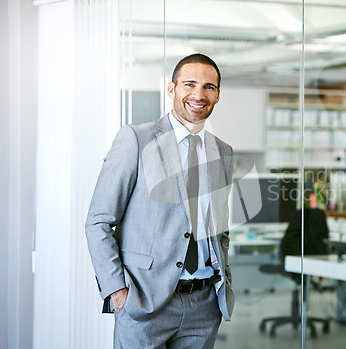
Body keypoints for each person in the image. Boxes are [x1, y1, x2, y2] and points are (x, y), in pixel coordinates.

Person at [85, 53, 235, 348]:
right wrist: (118, 291)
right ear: (171, 89)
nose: (198, 94)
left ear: (217, 95)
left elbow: (218, 226)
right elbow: (98, 221)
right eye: (189, 84)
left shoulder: (223, 152)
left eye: (209, 87)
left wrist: (223, 279)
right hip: (145, 303)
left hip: (204, 305)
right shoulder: (136, 140)